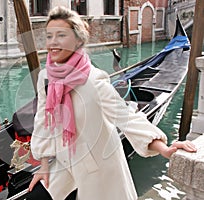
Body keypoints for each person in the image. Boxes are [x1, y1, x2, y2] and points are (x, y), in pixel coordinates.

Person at [27, 6, 197, 200]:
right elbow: (43, 121)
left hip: (100, 165)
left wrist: (165, 149)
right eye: (49, 36)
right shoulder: (46, 78)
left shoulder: (93, 80)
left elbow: (126, 117)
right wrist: (44, 165)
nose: (52, 43)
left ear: (78, 40)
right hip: (67, 160)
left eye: (61, 35)